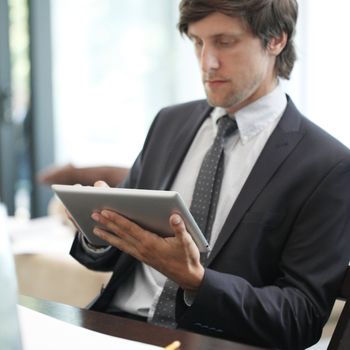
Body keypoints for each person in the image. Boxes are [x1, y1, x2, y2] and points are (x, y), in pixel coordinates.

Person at [69, 1, 350, 349]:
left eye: (224, 42)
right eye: (197, 42)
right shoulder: (168, 123)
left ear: (276, 40)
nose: (207, 63)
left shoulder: (328, 165)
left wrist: (197, 281)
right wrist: (96, 227)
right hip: (112, 329)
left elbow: (300, 318)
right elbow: (114, 254)